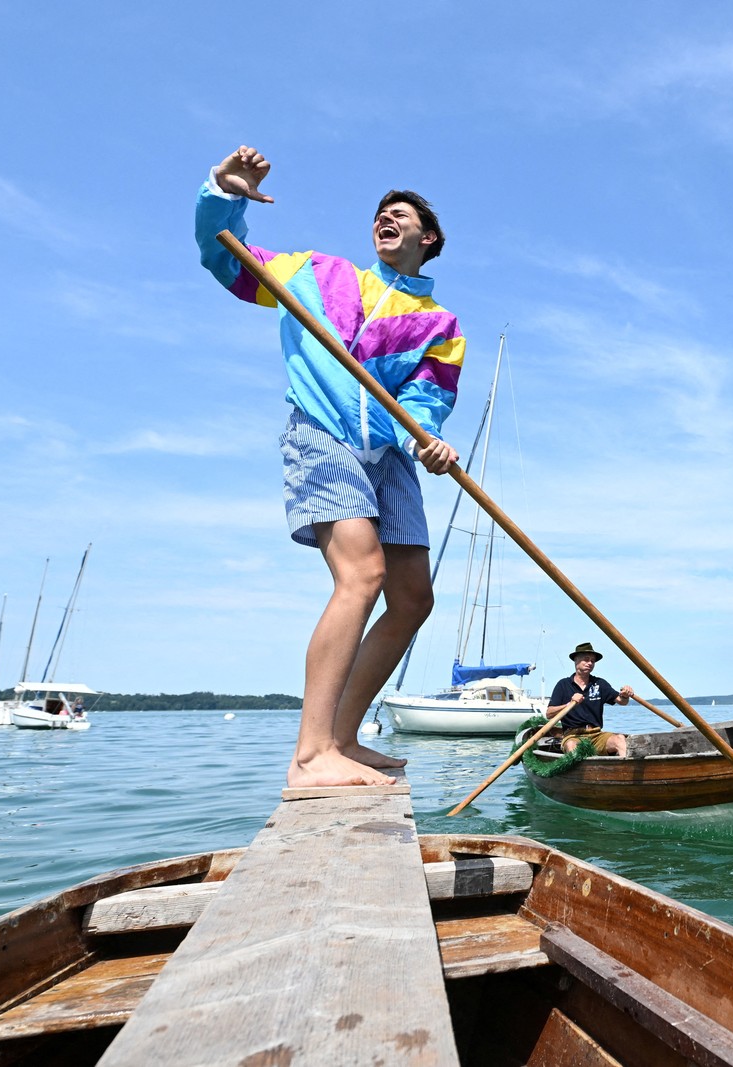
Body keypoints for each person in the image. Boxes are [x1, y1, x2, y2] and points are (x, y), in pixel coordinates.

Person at [196, 146, 465, 789]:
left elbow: (428, 401)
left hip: (390, 456)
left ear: (428, 240)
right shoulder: (319, 273)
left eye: (399, 214)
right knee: (362, 573)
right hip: (320, 432)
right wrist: (222, 195)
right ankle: (311, 754)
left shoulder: (439, 323)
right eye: (380, 213)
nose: (384, 218)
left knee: (411, 598)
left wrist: (431, 440)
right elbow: (225, 256)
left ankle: (343, 738)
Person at [548, 643, 634, 757]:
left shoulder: (599, 683)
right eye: (586, 659)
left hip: (597, 735)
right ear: (576, 660)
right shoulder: (563, 685)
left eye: (592, 661)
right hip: (573, 736)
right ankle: (581, 773)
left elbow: (622, 701)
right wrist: (569, 704)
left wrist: (625, 695)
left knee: (620, 739)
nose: (590, 663)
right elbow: (549, 714)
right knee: (571, 746)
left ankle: (625, 771)